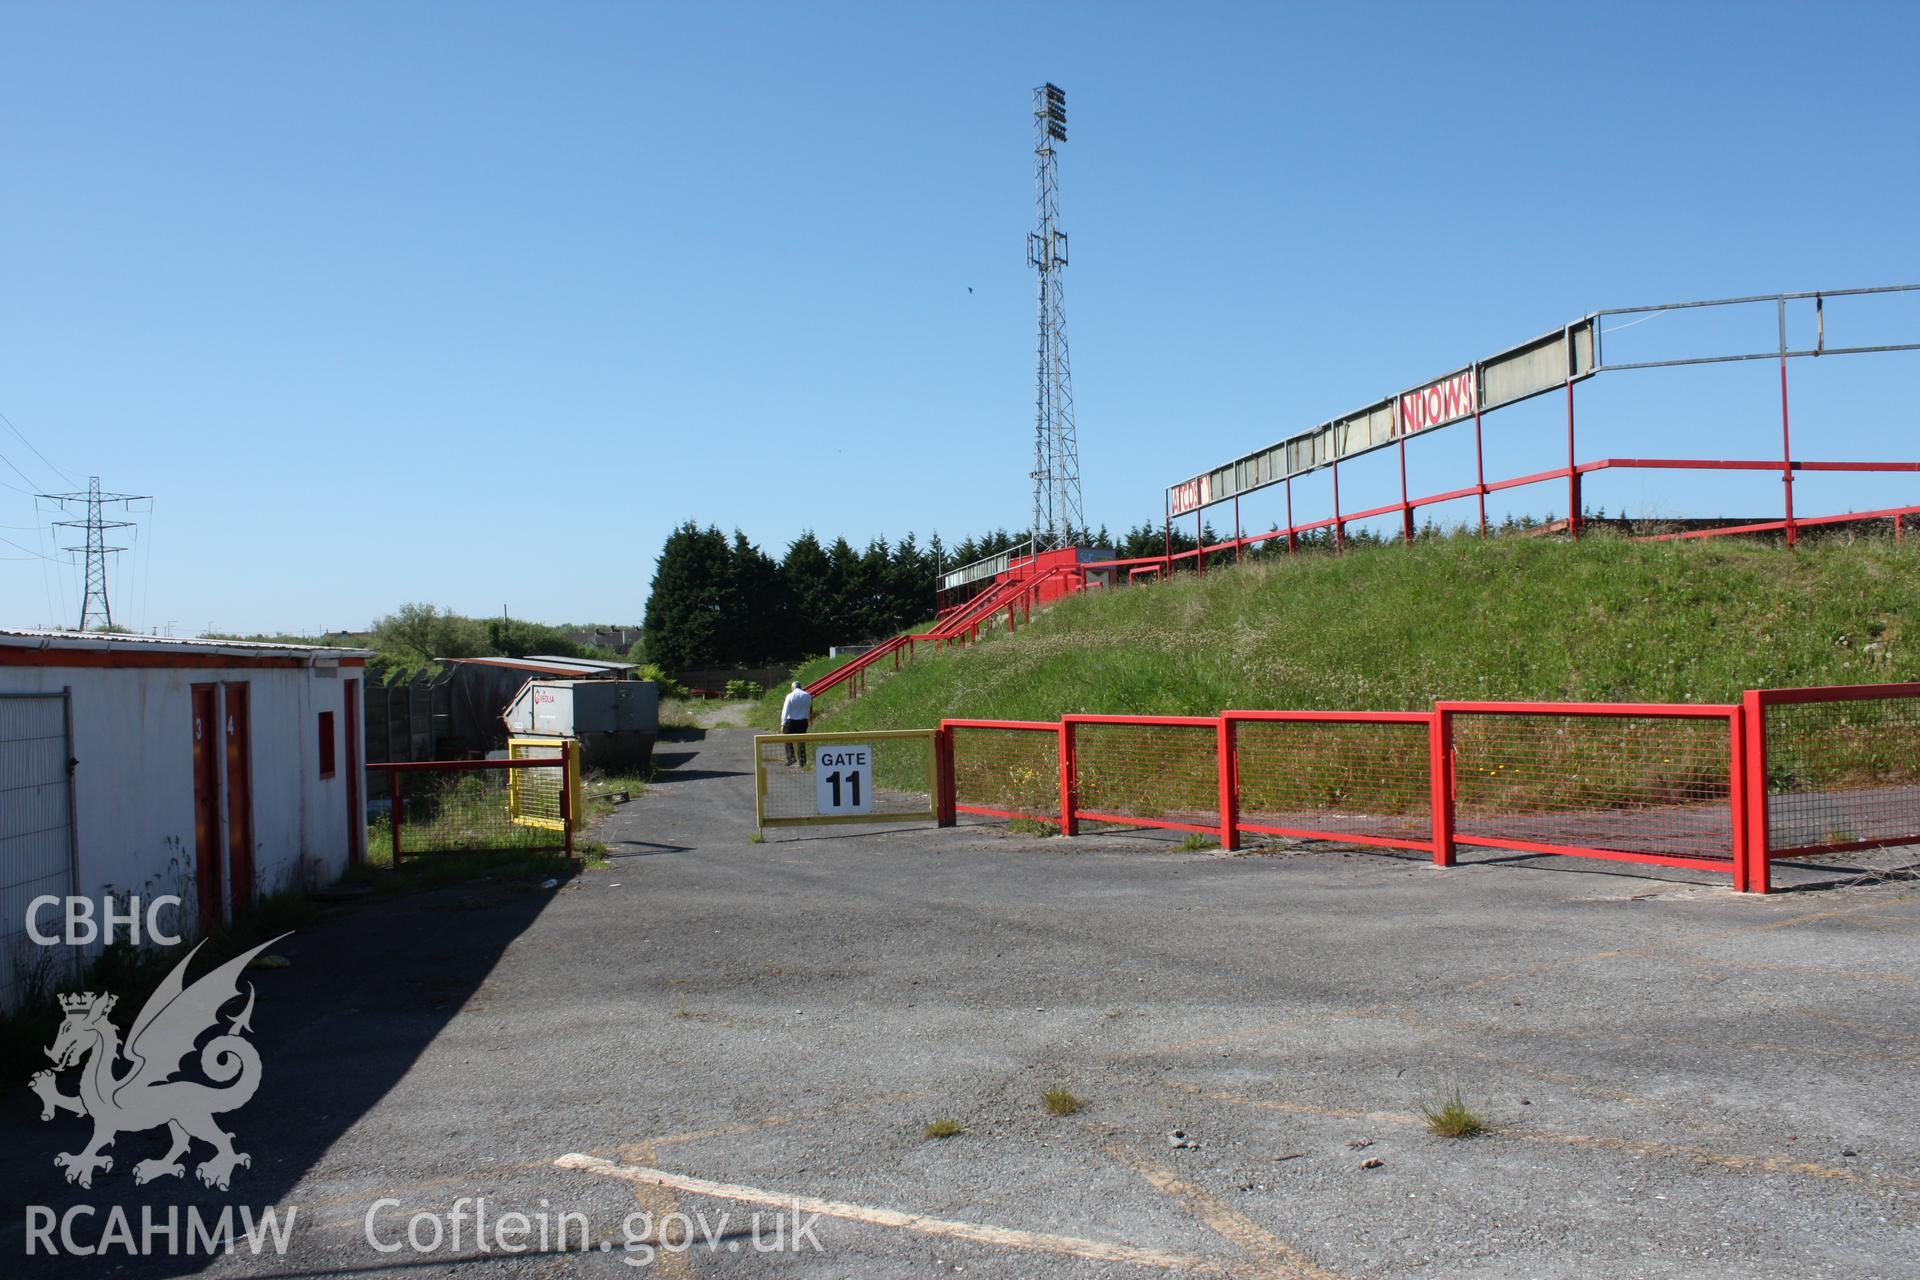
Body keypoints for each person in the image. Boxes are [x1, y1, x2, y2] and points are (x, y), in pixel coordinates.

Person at [779, 680, 813, 766]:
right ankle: (802, 761)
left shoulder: (790, 696)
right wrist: (808, 719)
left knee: (787, 738)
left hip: (791, 721)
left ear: (792, 688)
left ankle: (791, 757)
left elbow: (785, 711)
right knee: (801, 741)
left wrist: (783, 723)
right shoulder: (808, 695)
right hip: (803, 721)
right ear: (800, 687)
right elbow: (808, 707)